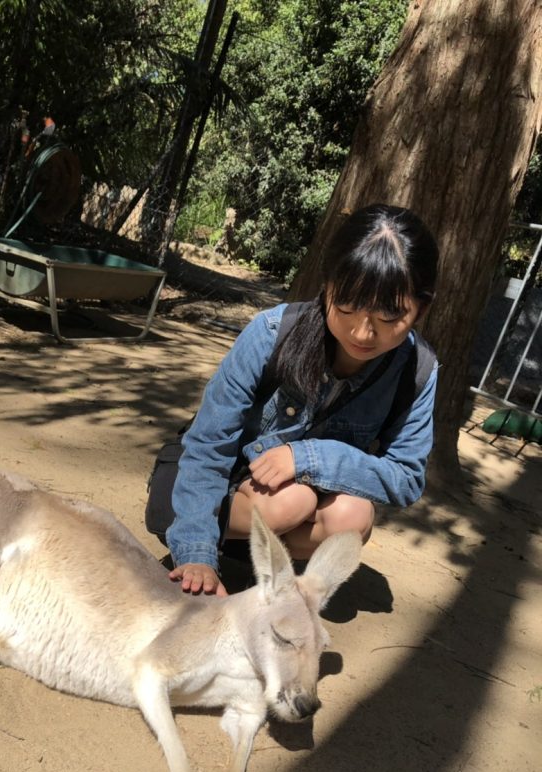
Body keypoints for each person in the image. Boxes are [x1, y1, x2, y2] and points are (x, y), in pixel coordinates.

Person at [165, 203, 440, 597]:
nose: (363, 333)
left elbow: (407, 476)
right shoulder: (271, 332)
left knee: (353, 514)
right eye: (347, 308)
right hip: (212, 497)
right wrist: (196, 554)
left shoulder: (419, 370)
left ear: (421, 308)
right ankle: (209, 545)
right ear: (327, 286)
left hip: (290, 514)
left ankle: (270, 579)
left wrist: (309, 458)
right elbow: (208, 445)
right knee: (292, 501)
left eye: (389, 318)